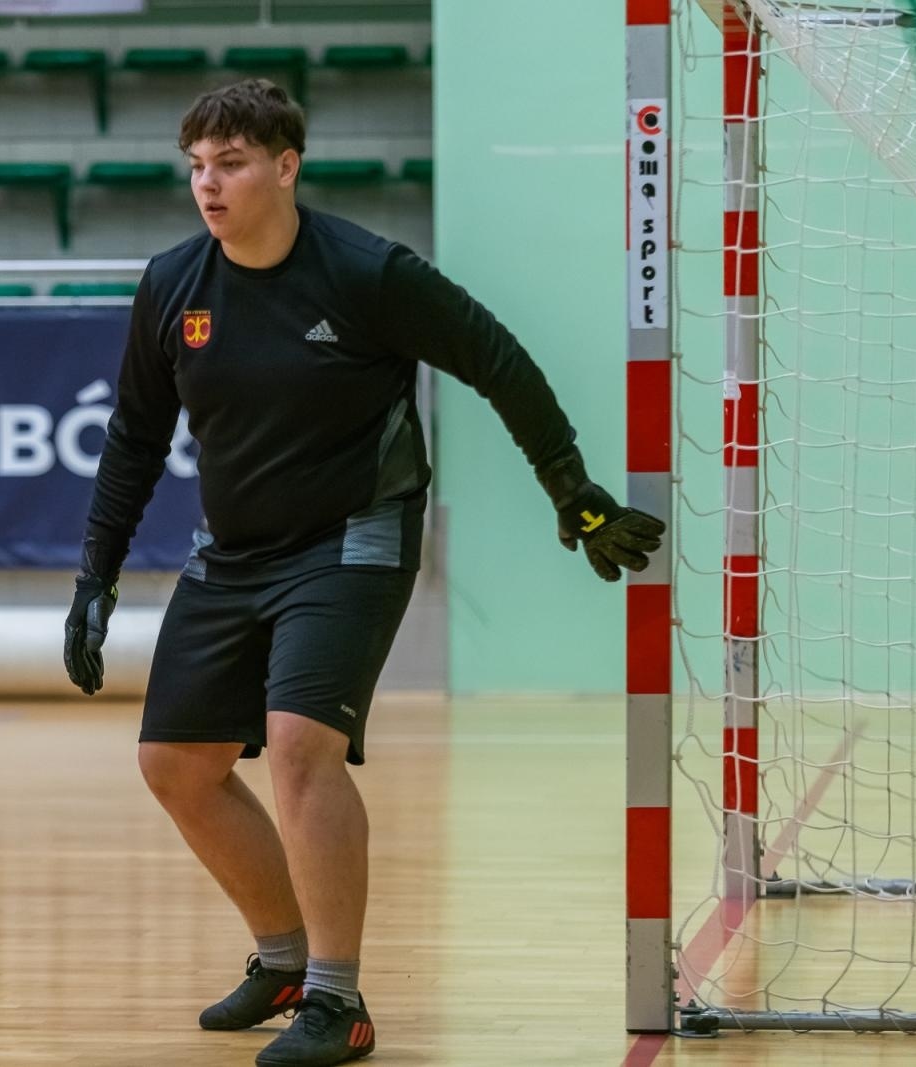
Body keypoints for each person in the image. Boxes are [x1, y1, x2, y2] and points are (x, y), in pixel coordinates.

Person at [63, 79, 663, 1067]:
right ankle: (285, 959)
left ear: (286, 165)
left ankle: (339, 1001)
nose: (208, 186)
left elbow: (497, 359)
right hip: (233, 547)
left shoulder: (366, 272)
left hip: (354, 535)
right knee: (176, 763)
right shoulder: (172, 283)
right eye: (197, 168)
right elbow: (134, 434)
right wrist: (97, 572)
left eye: (232, 163)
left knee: (301, 744)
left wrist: (572, 489)